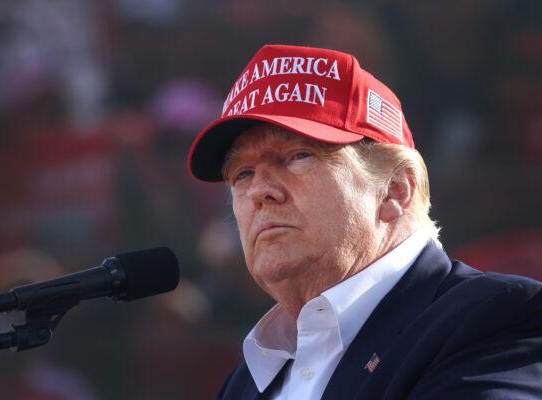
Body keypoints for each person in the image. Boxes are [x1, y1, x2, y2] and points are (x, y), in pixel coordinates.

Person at [187, 45, 542, 399]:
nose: (260, 191)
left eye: (298, 156)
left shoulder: (499, 316)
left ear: (395, 190)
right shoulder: (244, 384)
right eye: (243, 173)